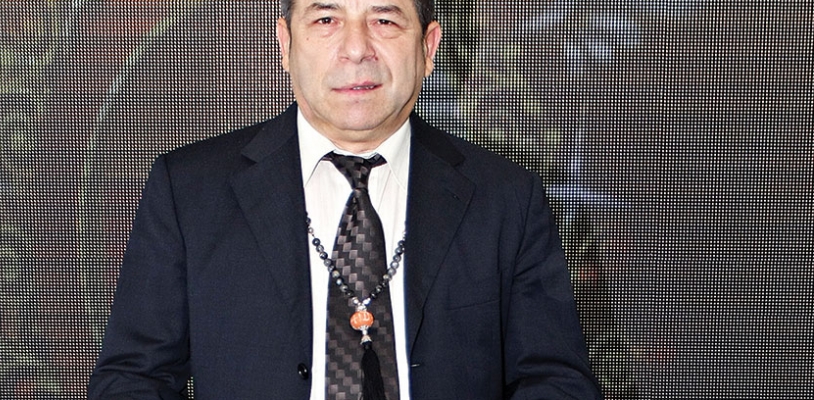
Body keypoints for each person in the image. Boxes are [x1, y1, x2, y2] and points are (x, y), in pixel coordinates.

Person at [88, 0, 602, 399]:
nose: (356, 49)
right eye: (326, 20)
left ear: (428, 48)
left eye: (384, 21)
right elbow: (133, 379)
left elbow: (555, 381)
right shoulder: (190, 190)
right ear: (286, 44)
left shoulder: (506, 198)